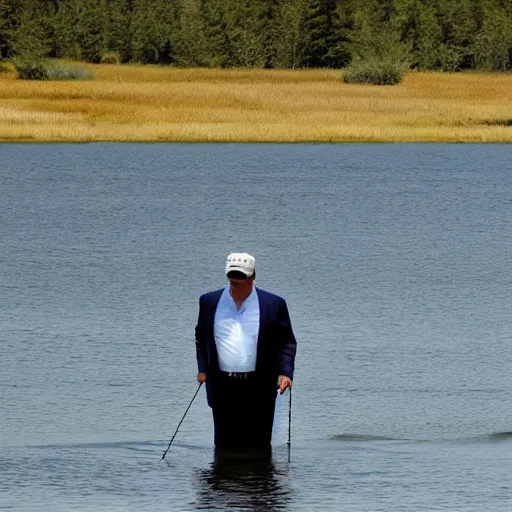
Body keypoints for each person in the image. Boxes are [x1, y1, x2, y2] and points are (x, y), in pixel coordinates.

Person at [195, 252, 297, 450]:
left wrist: (285, 373)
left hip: (260, 384)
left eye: (240, 276)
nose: (235, 280)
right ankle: (222, 480)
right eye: (231, 275)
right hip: (221, 384)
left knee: (259, 444)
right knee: (224, 444)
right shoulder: (208, 302)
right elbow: (200, 337)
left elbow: (288, 342)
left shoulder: (274, 304)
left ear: (252, 277)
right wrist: (202, 369)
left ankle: (260, 481)